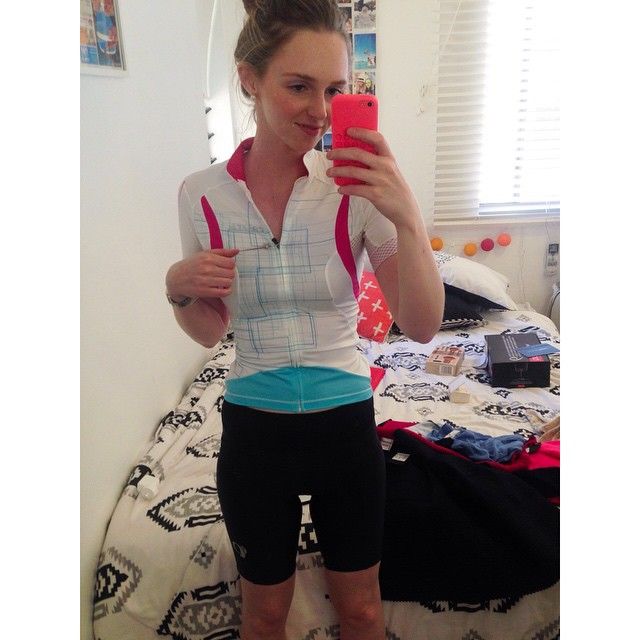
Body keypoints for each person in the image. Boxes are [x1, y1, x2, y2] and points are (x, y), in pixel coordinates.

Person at [165, 1, 444, 638]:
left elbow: (423, 324)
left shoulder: (355, 191)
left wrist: (406, 214)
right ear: (249, 79)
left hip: (344, 426)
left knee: (362, 609)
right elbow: (210, 331)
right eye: (298, 86)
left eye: (334, 90)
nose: (319, 110)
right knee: (264, 614)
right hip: (253, 434)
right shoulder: (200, 194)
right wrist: (178, 289)